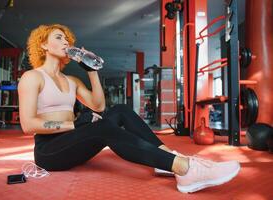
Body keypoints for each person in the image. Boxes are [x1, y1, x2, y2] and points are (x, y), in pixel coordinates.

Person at [18, 24, 240, 193]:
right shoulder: (32, 77)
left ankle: (166, 158)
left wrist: (91, 70)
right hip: (49, 151)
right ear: (44, 45)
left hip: (72, 140)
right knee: (103, 127)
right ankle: (184, 168)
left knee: (120, 110)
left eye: (67, 37)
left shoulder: (71, 81)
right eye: (58, 37)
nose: (65, 41)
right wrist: (74, 124)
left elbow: (99, 105)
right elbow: (28, 124)